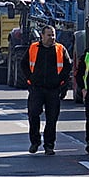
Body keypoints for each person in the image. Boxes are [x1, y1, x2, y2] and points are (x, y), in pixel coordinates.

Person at [20, 25, 72, 155]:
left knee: (52, 118)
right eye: (49, 35)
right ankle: (35, 142)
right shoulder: (33, 48)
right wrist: (30, 78)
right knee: (33, 114)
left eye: (53, 35)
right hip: (36, 88)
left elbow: (68, 66)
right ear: (42, 36)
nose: (52, 37)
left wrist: (61, 82)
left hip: (53, 89)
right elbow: (23, 64)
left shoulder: (60, 49)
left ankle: (49, 145)